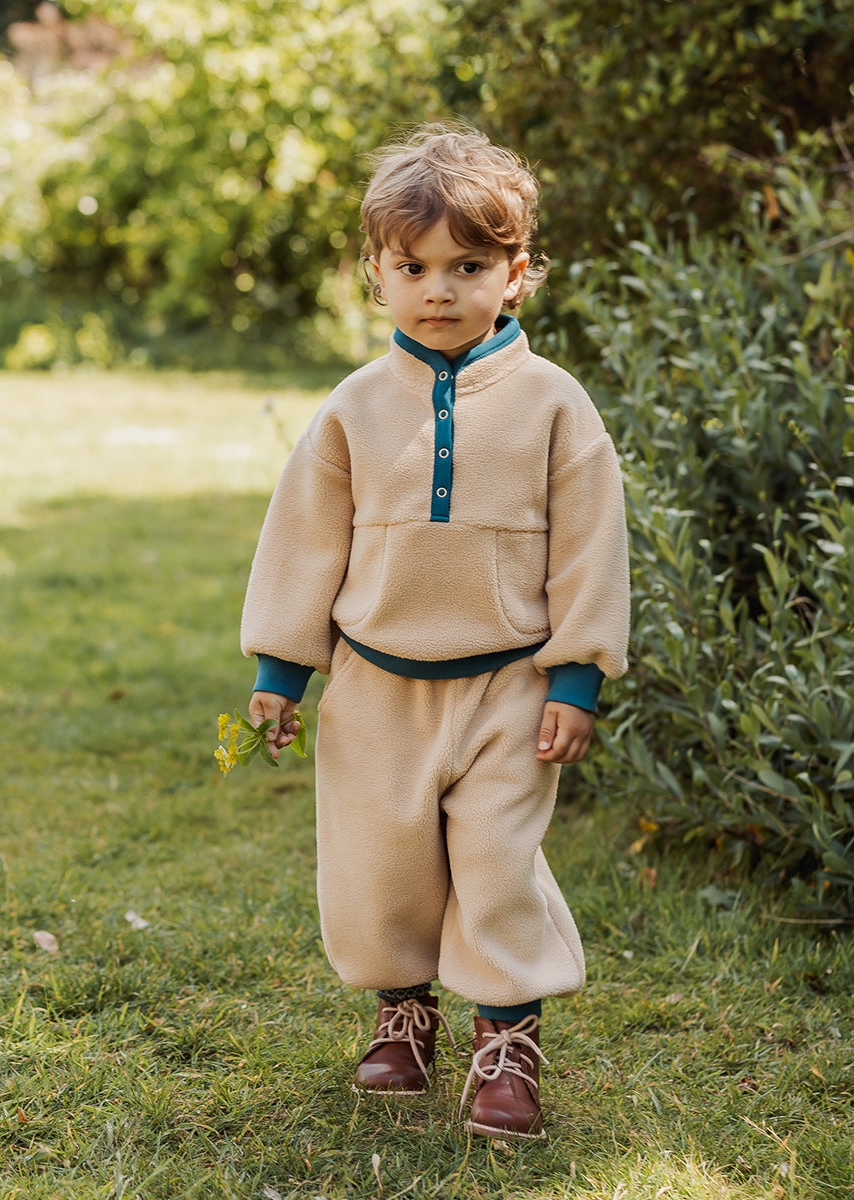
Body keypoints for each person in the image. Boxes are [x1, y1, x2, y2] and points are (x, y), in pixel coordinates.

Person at [240, 124, 630, 1141]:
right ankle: (404, 1016)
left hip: (509, 685)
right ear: (376, 275)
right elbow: (305, 543)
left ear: (517, 274)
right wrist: (282, 667)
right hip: (376, 686)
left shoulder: (554, 405)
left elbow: (591, 547)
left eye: (468, 267)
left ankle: (505, 1043)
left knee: (497, 863)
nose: (440, 290)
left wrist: (576, 678)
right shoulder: (354, 409)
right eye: (413, 268)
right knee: (383, 864)